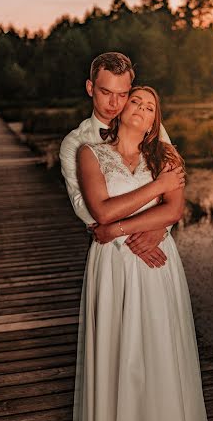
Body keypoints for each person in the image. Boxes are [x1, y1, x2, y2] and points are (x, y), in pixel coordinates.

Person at [72, 84, 212, 421]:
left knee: (156, 344)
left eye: (151, 107)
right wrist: (153, 192)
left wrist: (119, 228)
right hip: (113, 266)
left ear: (154, 121)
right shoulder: (90, 154)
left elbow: (175, 209)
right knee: (119, 346)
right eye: (136, 101)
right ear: (119, 108)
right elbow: (100, 208)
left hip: (156, 262)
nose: (142, 110)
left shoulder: (166, 155)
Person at [59, 51, 173, 269]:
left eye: (123, 94)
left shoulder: (150, 126)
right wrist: (136, 230)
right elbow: (84, 208)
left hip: (156, 244)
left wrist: (161, 227)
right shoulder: (74, 143)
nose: (114, 103)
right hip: (112, 251)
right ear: (90, 88)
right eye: (105, 92)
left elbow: (174, 184)